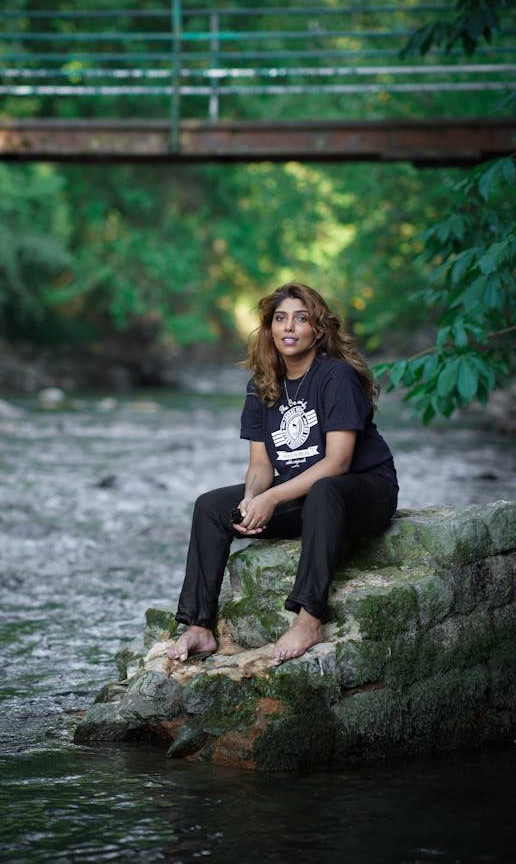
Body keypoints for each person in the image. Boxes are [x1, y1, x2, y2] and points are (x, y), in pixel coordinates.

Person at [167, 282, 398, 666]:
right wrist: (252, 497)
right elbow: (260, 465)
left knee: (325, 490)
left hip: (363, 492)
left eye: (301, 319)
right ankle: (199, 626)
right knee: (211, 507)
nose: (289, 327)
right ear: (270, 328)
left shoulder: (335, 376)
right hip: (303, 495)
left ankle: (309, 618)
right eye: (280, 319)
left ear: (318, 329)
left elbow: (338, 463)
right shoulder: (262, 385)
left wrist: (272, 498)